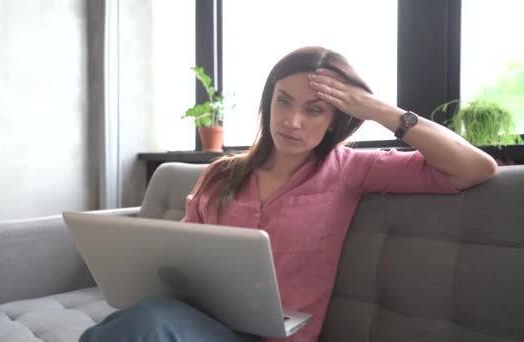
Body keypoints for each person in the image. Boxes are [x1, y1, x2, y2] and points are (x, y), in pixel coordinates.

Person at [79, 47, 497, 342]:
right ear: (269, 103)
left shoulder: (350, 169)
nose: (293, 121)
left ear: (336, 119)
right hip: (192, 325)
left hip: (272, 339)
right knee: (142, 323)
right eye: (284, 102)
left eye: (314, 109)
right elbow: (180, 264)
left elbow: (475, 168)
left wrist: (379, 110)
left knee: (147, 325)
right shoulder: (220, 175)